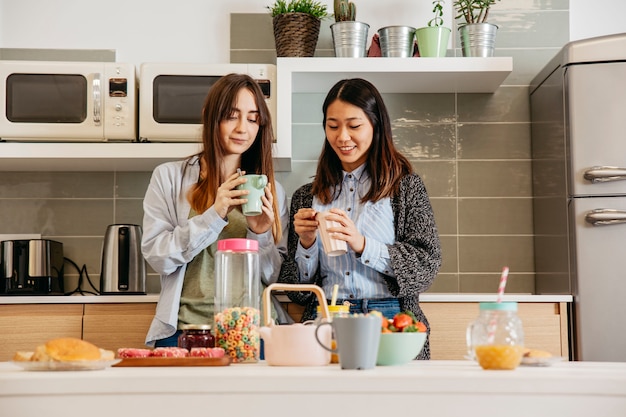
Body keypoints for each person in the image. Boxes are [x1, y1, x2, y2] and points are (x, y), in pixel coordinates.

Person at [278, 78, 441, 359]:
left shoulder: (405, 188)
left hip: (389, 319)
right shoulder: (307, 196)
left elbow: (426, 266)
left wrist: (362, 244)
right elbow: (298, 292)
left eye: (354, 126)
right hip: (326, 318)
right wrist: (306, 243)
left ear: (376, 125)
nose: (342, 137)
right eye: (332, 126)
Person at [142, 73, 289, 347]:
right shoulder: (169, 177)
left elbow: (272, 277)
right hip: (187, 330)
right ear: (209, 116)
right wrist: (214, 215)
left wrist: (259, 233)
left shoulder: (271, 189)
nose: (242, 128)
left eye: (253, 118)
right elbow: (157, 257)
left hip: (252, 331)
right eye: (232, 116)